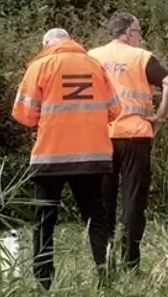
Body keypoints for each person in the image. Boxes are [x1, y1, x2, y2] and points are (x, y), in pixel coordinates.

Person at [12, 28, 120, 290]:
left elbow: (24, 114)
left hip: (51, 156)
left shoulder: (40, 66)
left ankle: (44, 280)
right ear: (71, 40)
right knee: (96, 216)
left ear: (48, 44)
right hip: (92, 157)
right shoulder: (95, 66)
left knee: (44, 218)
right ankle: (106, 275)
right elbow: (115, 109)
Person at [87, 12, 168, 272]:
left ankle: (104, 261)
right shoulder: (141, 57)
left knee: (102, 202)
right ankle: (131, 262)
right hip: (135, 136)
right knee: (133, 200)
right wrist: (159, 116)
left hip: (100, 136)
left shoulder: (91, 57)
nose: (140, 36)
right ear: (127, 33)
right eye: (138, 31)